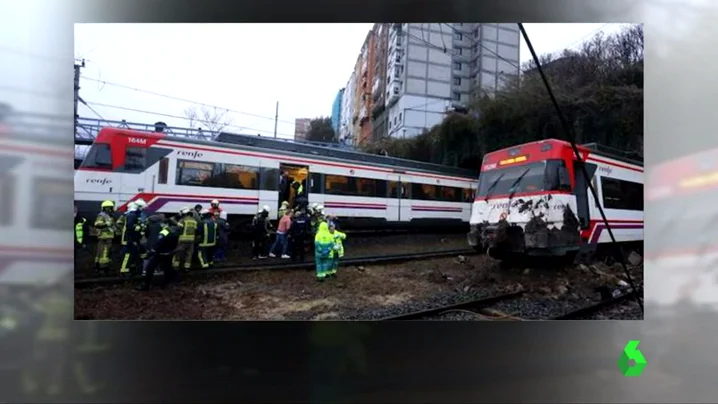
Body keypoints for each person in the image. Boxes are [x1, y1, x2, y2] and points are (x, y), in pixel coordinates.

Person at [137, 217, 180, 291]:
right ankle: (167, 284)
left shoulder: (165, 231)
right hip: (169, 253)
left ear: (166, 224)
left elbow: (160, 241)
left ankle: (146, 285)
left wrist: (153, 250)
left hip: (160, 253)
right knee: (168, 269)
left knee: (150, 268)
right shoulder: (176, 230)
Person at [119, 202, 143, 275]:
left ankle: (130, 268)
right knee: (127, 254)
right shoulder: (132, 215)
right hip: (129, 239)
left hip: (131, 238)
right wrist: (139, 227)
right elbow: (130, 227)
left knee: (132, 254)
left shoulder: (131, 215)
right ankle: (124, 271)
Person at [93, 200, 116, 273]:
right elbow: (97, 224)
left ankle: (99, 266)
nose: (110, 209)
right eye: (109, 207)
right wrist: (106, 224)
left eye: (111, 207)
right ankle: (102, 268)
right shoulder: (102, 215)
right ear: (105, 208)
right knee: (104, 253)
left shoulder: (109, 215)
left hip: (108, 237)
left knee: (103, 252)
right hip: (104, 237)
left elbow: (112, 226)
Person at [172, 207, 197, 274]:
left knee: (178, 253)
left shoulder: (183, 220)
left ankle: (176, 266)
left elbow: (178, 228)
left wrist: (174, 222)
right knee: (189, 254)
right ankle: (187, 268)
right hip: (191, 240)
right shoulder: (194, 221)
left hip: (182, 239)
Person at [74, 204, 88, 268]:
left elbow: (85, 232)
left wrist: (84, 242)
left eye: (75, 211)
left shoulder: (82, 220)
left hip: (77, 243)